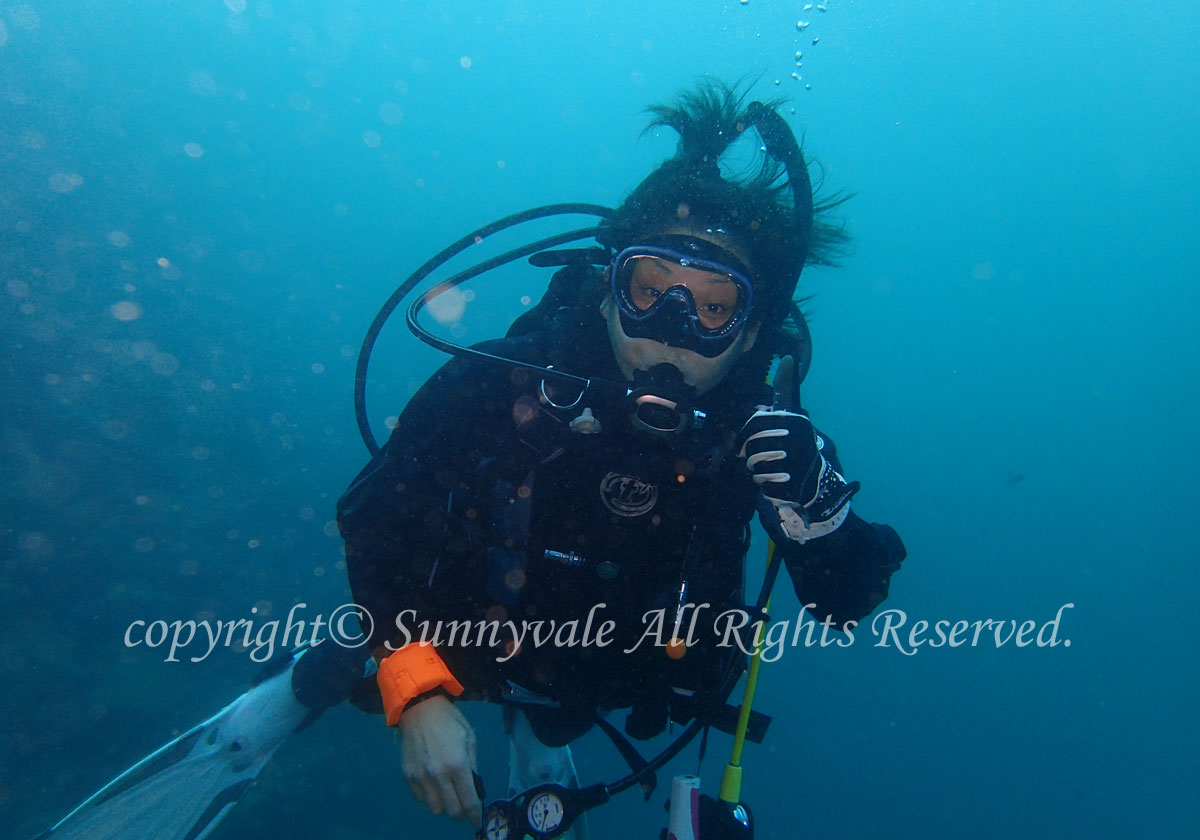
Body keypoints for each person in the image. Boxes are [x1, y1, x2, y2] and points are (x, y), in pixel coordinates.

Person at [335, 80, 906, 833]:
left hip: (612, 682)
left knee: (556, 721)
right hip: (458, 648)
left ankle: (540, 742)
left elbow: (848, 599)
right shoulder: (505, 377)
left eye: (711, 307)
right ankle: (285, 701)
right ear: (608, 291)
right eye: (649, 290)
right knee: (347, 662)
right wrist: (412, 685)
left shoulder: (763, 438)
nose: (672, 329)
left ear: (747, 331)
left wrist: (816, 510)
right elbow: (375, 518)